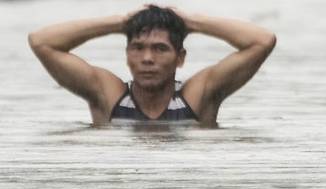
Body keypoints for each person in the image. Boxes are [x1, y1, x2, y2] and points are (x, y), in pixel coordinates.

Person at [28, 5, 276, 127]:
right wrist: (120, 22)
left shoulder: (198, 96)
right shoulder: (108, 95)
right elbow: (42, 41)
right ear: (127, 55)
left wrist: (191, 22)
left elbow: (262, 41)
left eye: (160, 49)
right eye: (138, 48)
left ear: (180, 58)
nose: (147, 58)